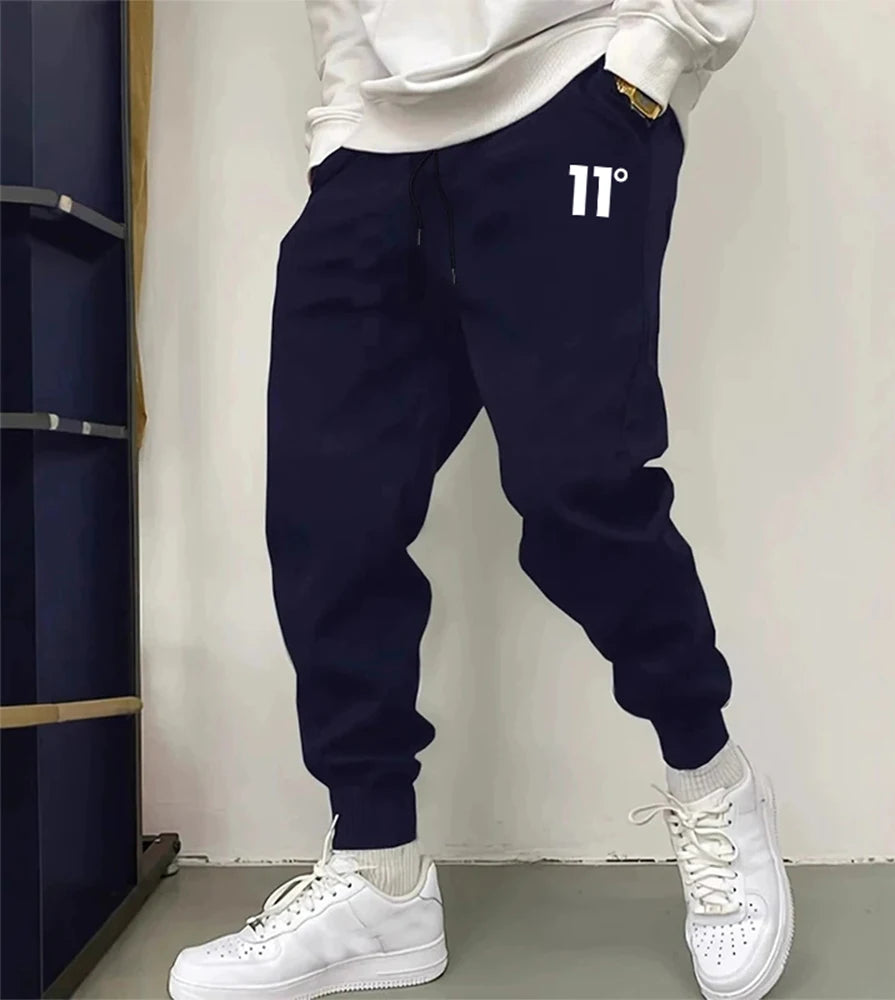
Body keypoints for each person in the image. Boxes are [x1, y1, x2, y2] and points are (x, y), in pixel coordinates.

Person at [169, 2, 793, 999]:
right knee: (329, 515)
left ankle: (709, 774)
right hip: (376, 138)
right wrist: (344, 119)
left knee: (577, 486)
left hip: (571, 85)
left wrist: (661, 50)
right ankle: (379, 873)